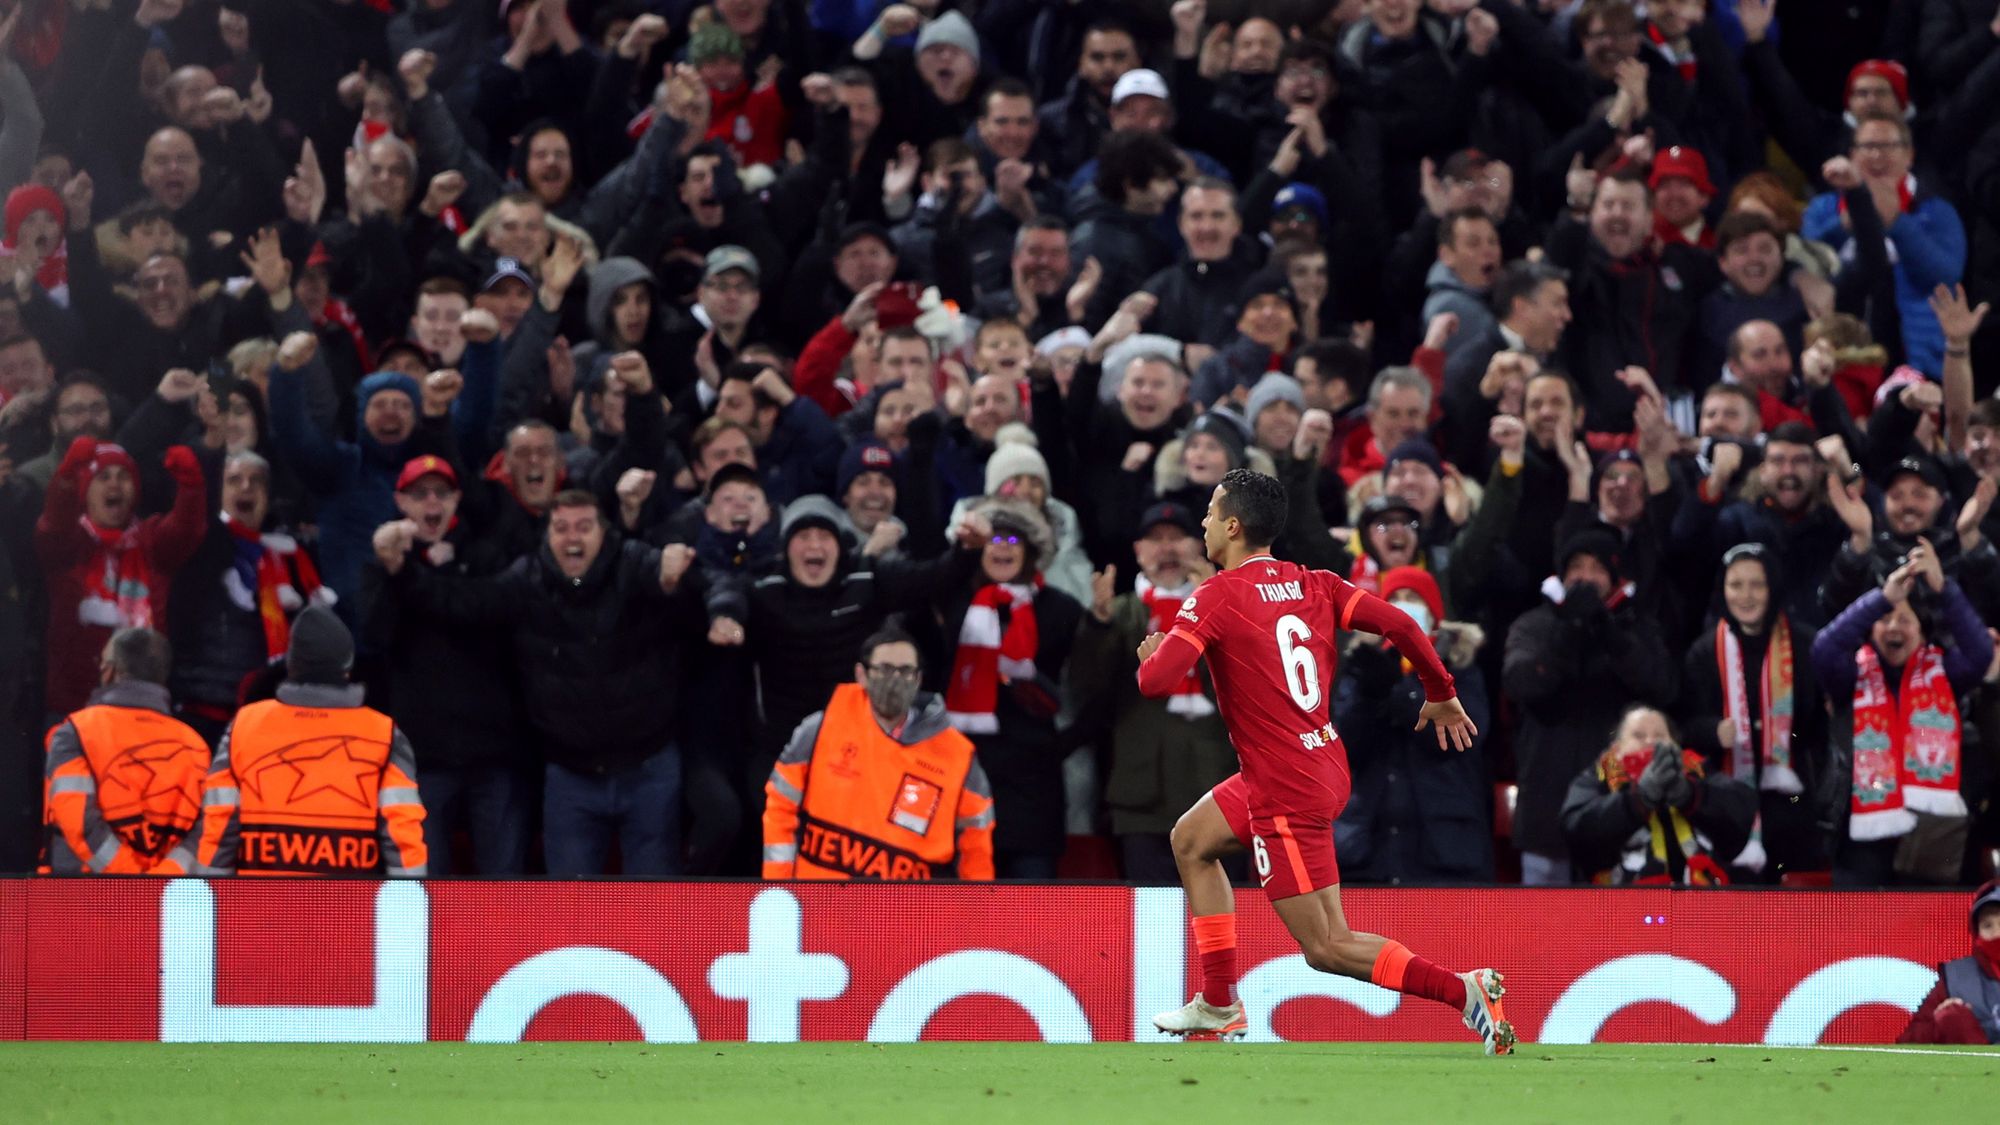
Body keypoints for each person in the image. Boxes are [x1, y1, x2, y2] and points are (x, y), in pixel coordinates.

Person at [1137, 468, 1512, 1054]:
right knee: (1191, 841)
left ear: (1232, 526)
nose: (1203, 524)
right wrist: (1440, 691)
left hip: (1283, 788)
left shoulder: (1213, 597)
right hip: (1317, 764)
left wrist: (1151, 654)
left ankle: (1464, 993)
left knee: (1327, 948)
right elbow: (1402, 622)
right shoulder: (1314, 583)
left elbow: (1156, 683)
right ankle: (1217, 1003)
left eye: (1210, 513)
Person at [377, 486, 702, 877]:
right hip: (571, 775)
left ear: (604, 533)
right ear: (548, 535)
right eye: (561, 528)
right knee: (566, 910)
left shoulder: (634, 563)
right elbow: (466, 602)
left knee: (655, 908)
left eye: (583, 527)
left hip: (648, 768)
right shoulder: (527, 579)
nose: (573, 538)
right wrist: (401, 570)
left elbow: (694, 599)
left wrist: (675, 581)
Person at [193, 605, 428, 877]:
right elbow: (402, 835)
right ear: (347, 666)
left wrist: (208, 895)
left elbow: (220, 823)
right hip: (350, 909)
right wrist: (409, 903)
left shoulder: (244, 725)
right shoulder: (385, 733)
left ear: (291, 664)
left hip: (261, 907)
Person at [1809, 541, 1993, 886]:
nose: (1894, 627)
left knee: (1923, 938)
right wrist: (1882, 597)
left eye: (1905, 619)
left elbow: (1981, 652)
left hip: (1929, 838)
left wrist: (1943, 588)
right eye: (1885, 619)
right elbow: (1823, 648)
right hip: (1858, 838)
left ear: (1923, 634)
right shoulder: (1852, 675)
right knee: (1857, 939)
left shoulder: (1945, 673)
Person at [1069, 502, 1230, 884]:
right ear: (1138, 551)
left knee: (1225, 914)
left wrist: (1217, 607)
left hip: (1217, 788)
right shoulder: (1120, 612)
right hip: (1142, 797)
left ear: (1201, 546)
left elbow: (1247, 683)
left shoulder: (1230, 607)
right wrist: (1099, 624)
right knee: (1152, 913)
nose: (1167, 549)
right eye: (1155, 540)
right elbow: (1088, 690)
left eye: (1177, 539)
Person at [761, 628, 995, 881]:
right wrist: (778, 886)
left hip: (908, 912)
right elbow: (780, 809)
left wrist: (977, 914)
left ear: (917, 679)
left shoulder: (957, 755)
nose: (894, 679)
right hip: (818, 904)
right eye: (884, 668)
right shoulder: (821, 727)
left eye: (905, 671)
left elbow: (976, 846)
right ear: (861, 674)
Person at [40, 627, 208, 874]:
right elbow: (206, 831)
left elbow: (79, 823)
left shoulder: (74, 732)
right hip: (165, 901)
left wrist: (128, 881)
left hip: (78, 898)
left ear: (109, 670)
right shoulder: (196, 746)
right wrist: (162, 879)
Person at [1559, 705, 1757, 885]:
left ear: (1675, 744)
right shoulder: (1597, 777)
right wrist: (1638, 799)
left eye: (1660, 736)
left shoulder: (1697, 770)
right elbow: (1577, 829)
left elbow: (1741, 812)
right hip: (1619, 907)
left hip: (1699, 905)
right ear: (1617, 747)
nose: (1651, 742)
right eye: (1638, 735)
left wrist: (1688, 794)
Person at [1898, 881, 2000, 1045]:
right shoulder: (1955, 977)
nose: (1997, 933)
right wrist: (1941, 1022)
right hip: (1974, 1069)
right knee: (1953, 1017)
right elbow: (1908, 1043)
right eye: (1987, 925)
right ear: (1976, 933)